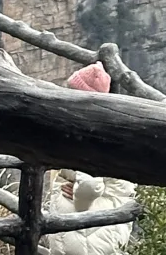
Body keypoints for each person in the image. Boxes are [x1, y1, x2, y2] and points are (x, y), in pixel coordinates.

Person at [45, 64, 137, 255]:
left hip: (86, 223)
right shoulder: (114, 125)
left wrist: (81, 204)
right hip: (106, 216)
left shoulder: (89, 130)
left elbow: (89, 183)